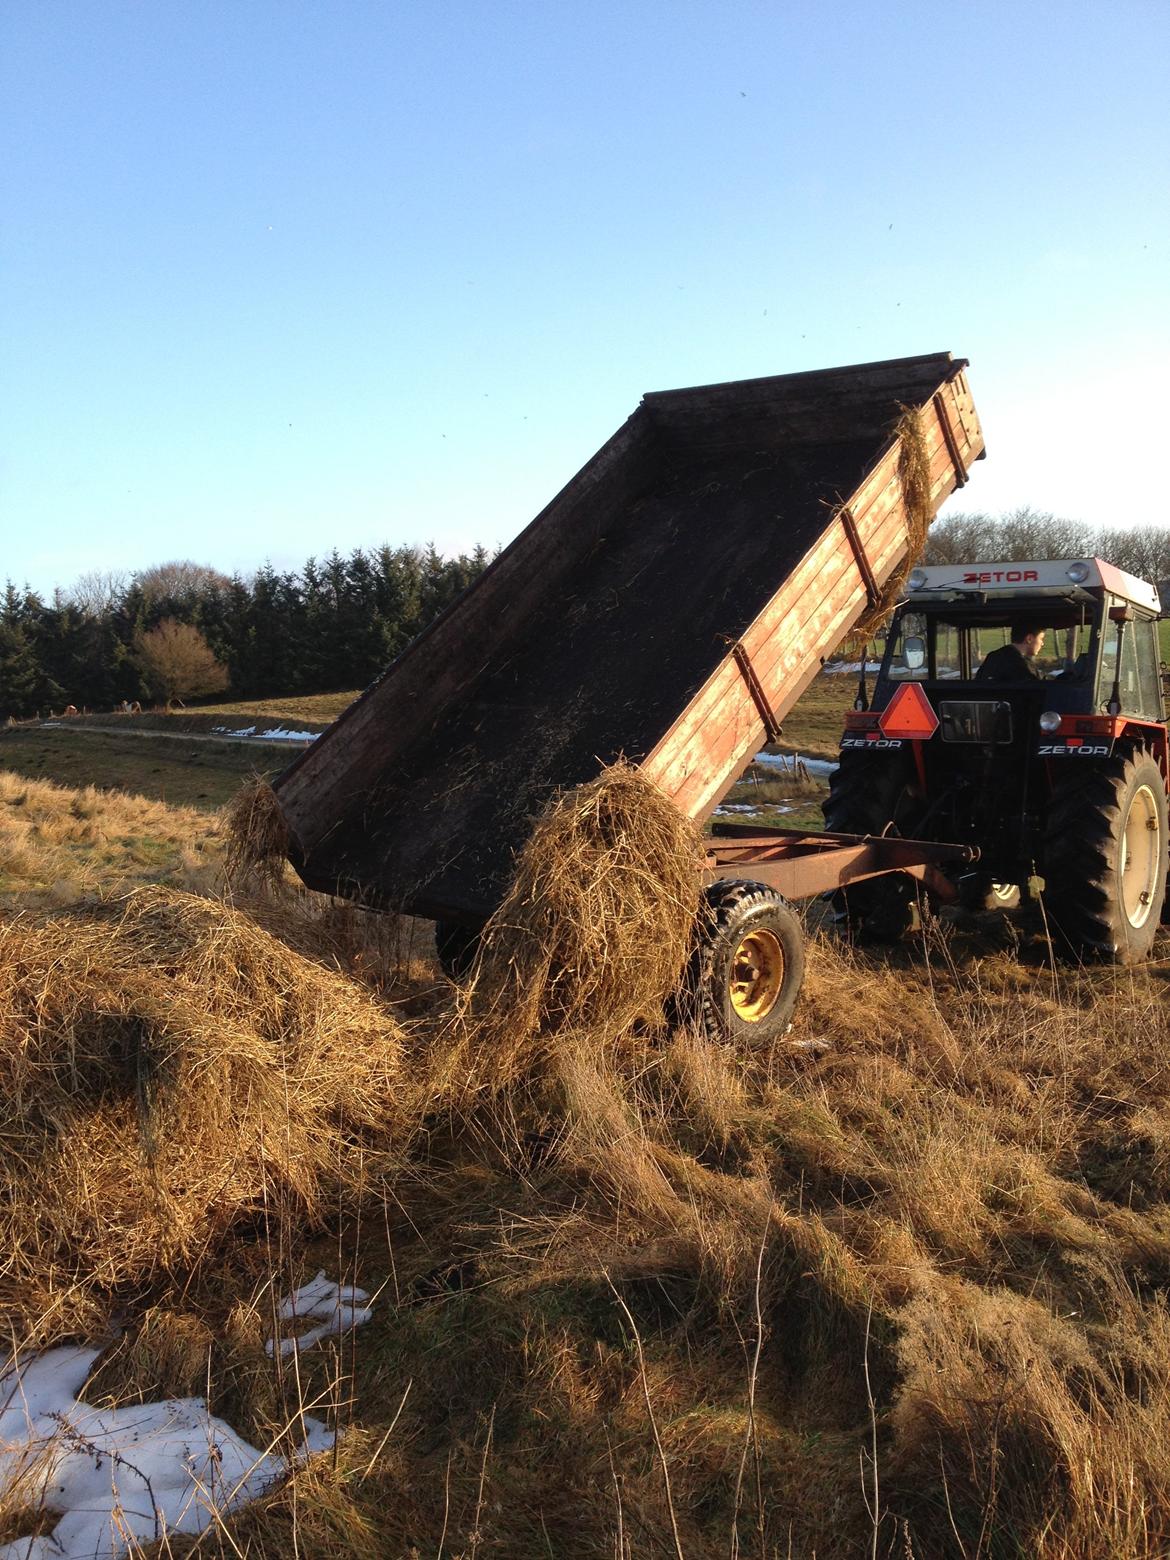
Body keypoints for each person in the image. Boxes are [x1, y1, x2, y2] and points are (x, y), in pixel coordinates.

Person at [976, 622, 1046, 681]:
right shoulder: (1022, 667)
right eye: (1041, 638)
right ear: (1029, 639)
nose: (1042, 643)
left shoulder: (992, 657)